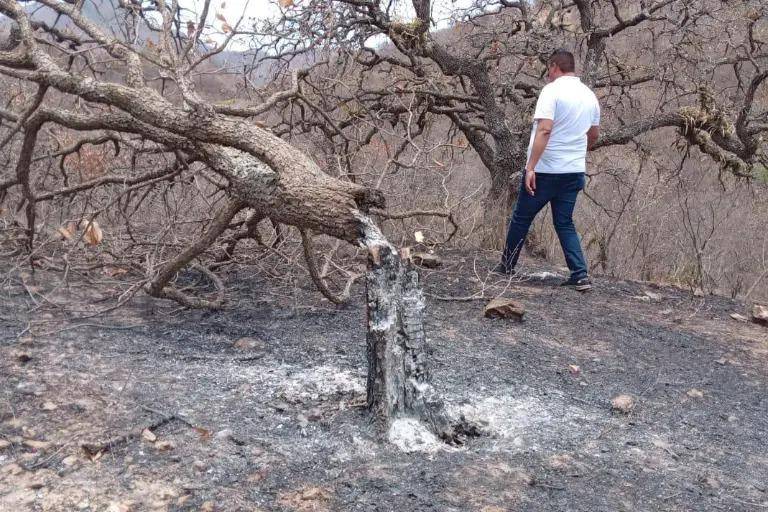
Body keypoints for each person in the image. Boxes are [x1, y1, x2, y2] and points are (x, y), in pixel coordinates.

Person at [492, 49, 600, 292]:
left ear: (554, 67)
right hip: (573, 170)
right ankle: (580, 275)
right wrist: (577, 151)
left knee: (522, 217)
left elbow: (544, 130)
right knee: (564, 222)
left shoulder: (551, 91)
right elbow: (593, 134)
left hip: (547, 170)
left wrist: (530, 167)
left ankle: (507, 266)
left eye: (549, 69)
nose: (548, 75)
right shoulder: (589, 95)